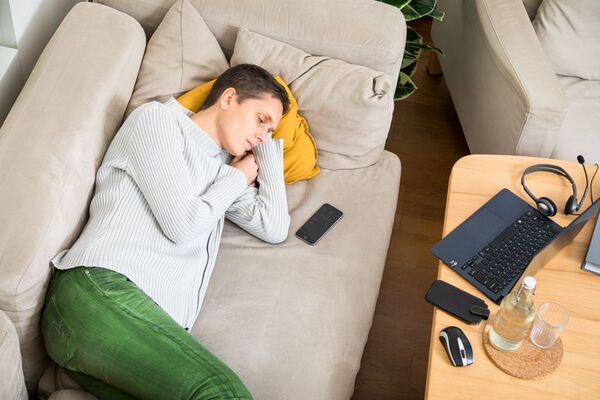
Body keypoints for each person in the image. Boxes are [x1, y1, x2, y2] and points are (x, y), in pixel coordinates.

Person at [41, 64, 291, 400]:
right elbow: (183, 225)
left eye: (270, 130)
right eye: (261, 119)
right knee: (222, 393)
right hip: (99, 292)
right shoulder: (157, 121)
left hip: (134, 327)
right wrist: (236, 179)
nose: (264, 134)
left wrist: (264, 151)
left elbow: (274, 227)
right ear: (229, 98)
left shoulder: (224, 171)